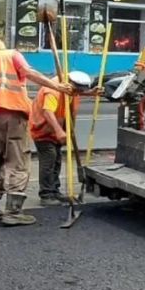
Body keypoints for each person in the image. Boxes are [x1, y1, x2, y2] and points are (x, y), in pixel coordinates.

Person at [0, 39, 73, 226]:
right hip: (13, 112)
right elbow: (29, 73)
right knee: (17, 161)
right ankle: (13, 212)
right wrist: (56, 86)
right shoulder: (10, 54)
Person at [29, 70, 92, 206]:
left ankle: (54, 191)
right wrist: (58, 130)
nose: (77, 94)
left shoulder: (69, 88)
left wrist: (93, 93)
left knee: (57, 159)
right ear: (70, 84)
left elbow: (76, 94)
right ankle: (46, 194)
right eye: (76, 90)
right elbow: (48, 112)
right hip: (43, 130)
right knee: (49, 160)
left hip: (57, 131)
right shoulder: (53, 90)